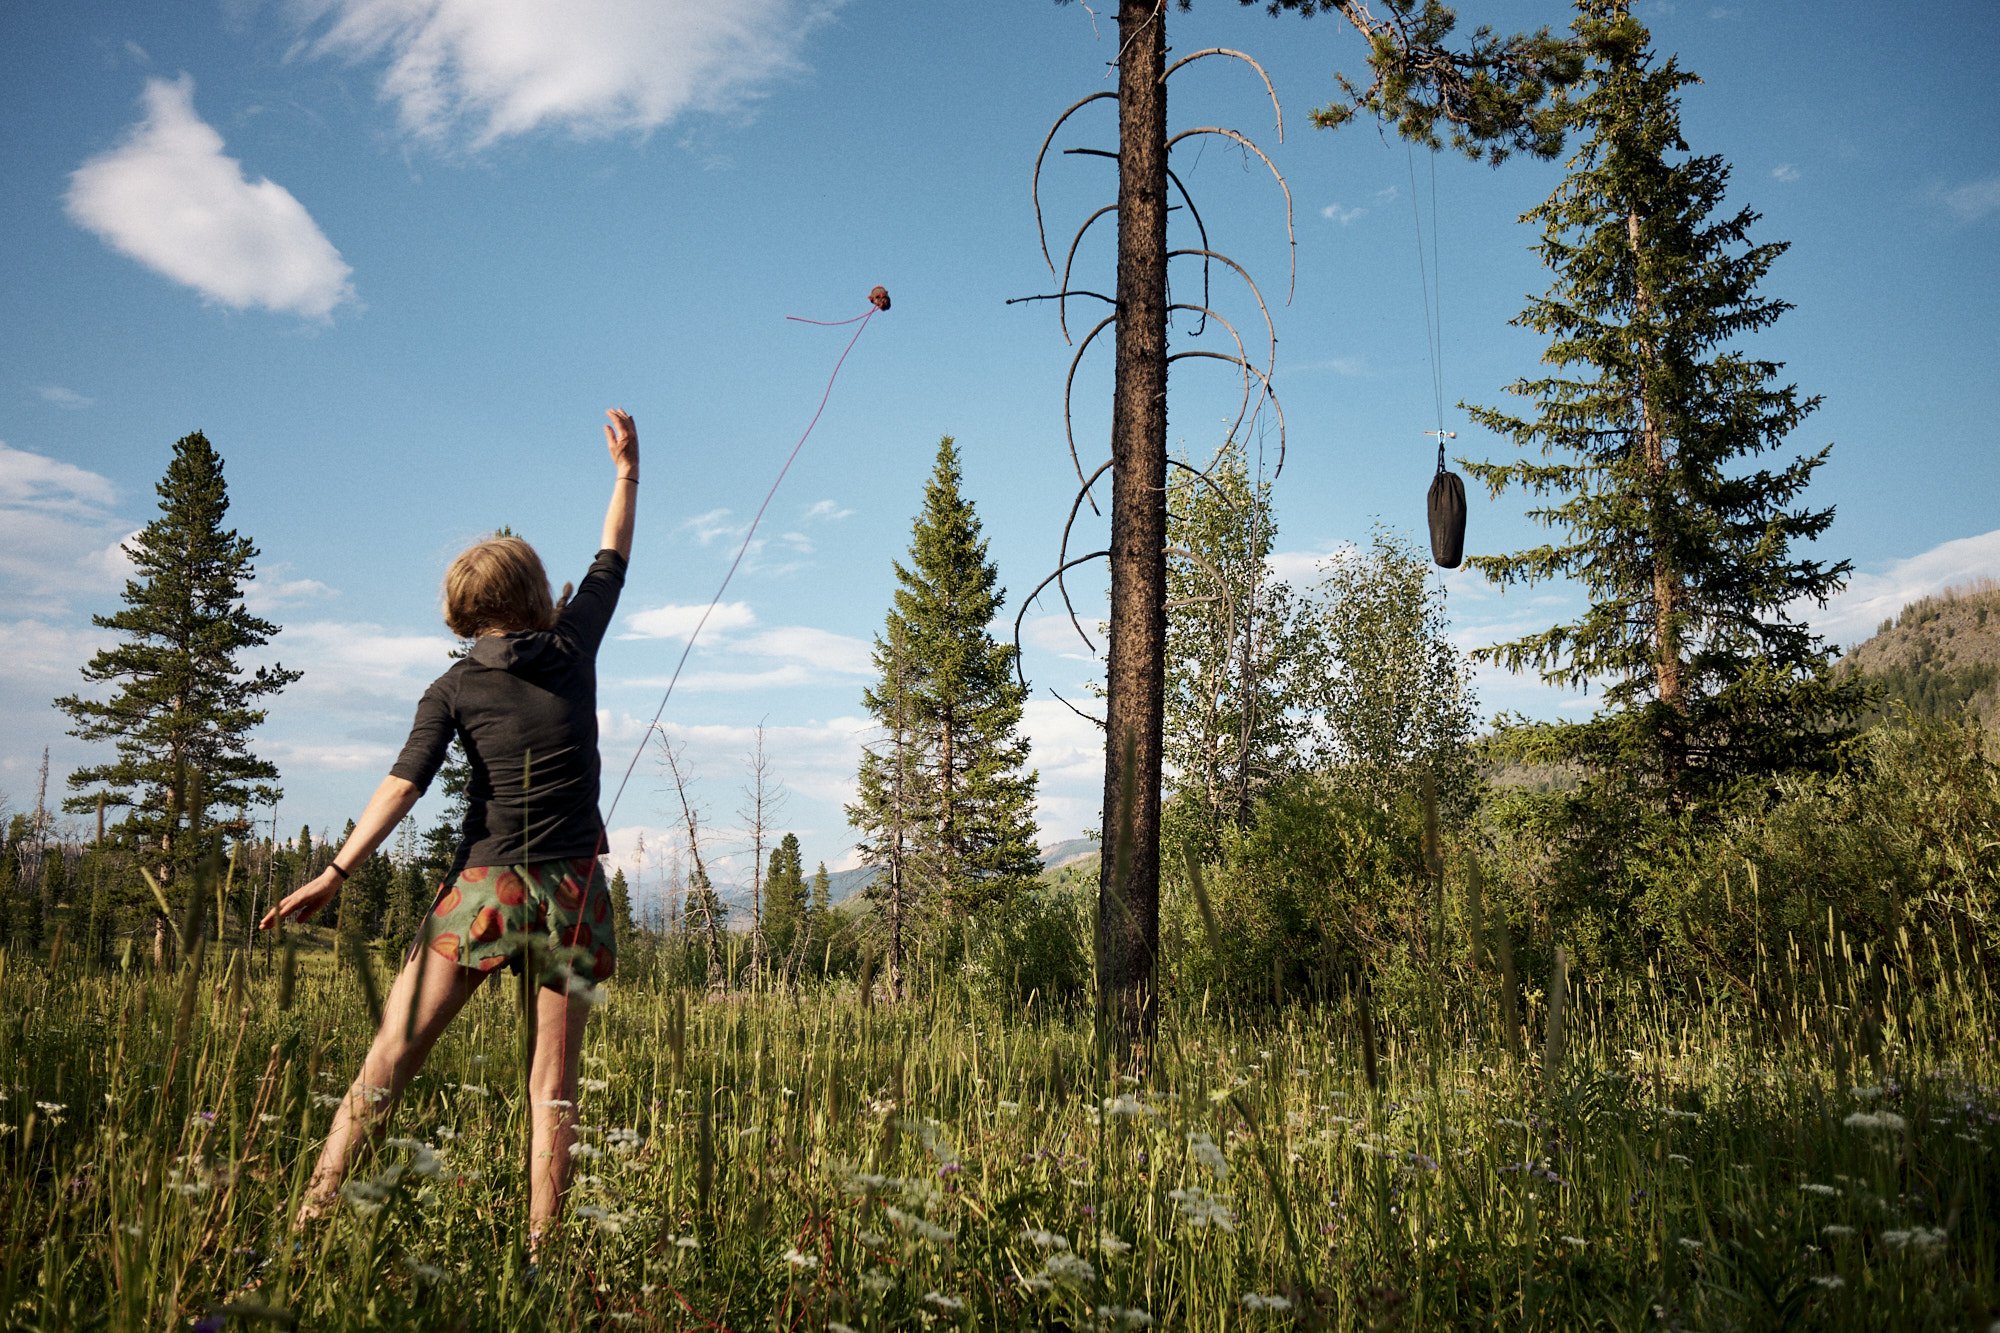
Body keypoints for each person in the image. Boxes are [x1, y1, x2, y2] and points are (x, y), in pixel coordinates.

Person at [261, 408, 640, 1244]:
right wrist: (625, 473)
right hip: (572, 890)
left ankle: (310, 1222)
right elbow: (612, 558)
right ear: (537, 595)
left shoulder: (453, 688)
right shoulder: (575, 646)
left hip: (484, 889)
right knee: (554, 1087)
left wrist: (334, 873)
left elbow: (403, 786)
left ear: (467, 611)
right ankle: (541, 1256)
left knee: (388, 1060)